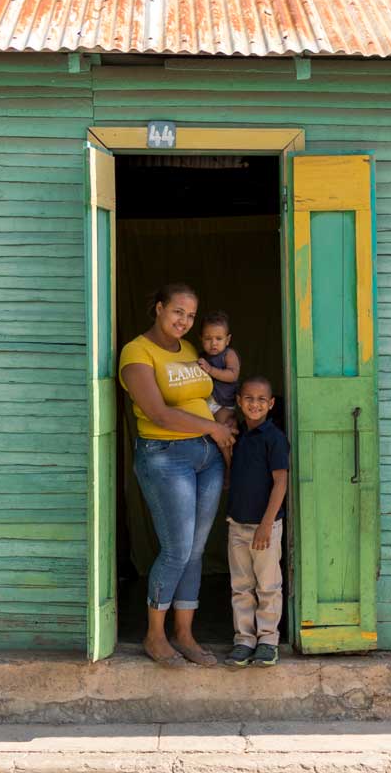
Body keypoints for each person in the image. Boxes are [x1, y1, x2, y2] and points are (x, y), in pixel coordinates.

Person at [119, 283, 237, 667]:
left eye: (190, 315)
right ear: (158, 309)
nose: (184, 321)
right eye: (177, 312)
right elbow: (159, 413)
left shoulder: (189, 351)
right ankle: (155, 636)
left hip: (207, 456)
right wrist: (214, 430)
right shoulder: (137, 353)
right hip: (166, 457)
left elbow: (203, 401)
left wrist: (227, 423)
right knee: (176, 550)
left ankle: (184, 634)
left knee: (197, 551)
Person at [223, 375, 289, 668]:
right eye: (248, 398)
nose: (255, 404)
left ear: (271, 404)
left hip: (266, 527)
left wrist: (266, 524)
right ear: (238, 401)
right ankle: (244, 639)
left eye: (262, 399)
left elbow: (280, 483)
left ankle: (267, 640)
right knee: (241, 585)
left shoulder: (274, 439)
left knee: (268, 585)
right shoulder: (238, 437)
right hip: (237, 524)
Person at [196, 310, 241, 477]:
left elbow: (232, 375)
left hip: (223, 404)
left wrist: (210, 369)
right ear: (200, 338)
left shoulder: (229, 354)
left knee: (224, 439)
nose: (213, 343)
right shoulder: (201, 357)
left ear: (227, 339)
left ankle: (229, 469)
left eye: (219, 339)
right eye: (208, 339)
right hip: (207, 402)